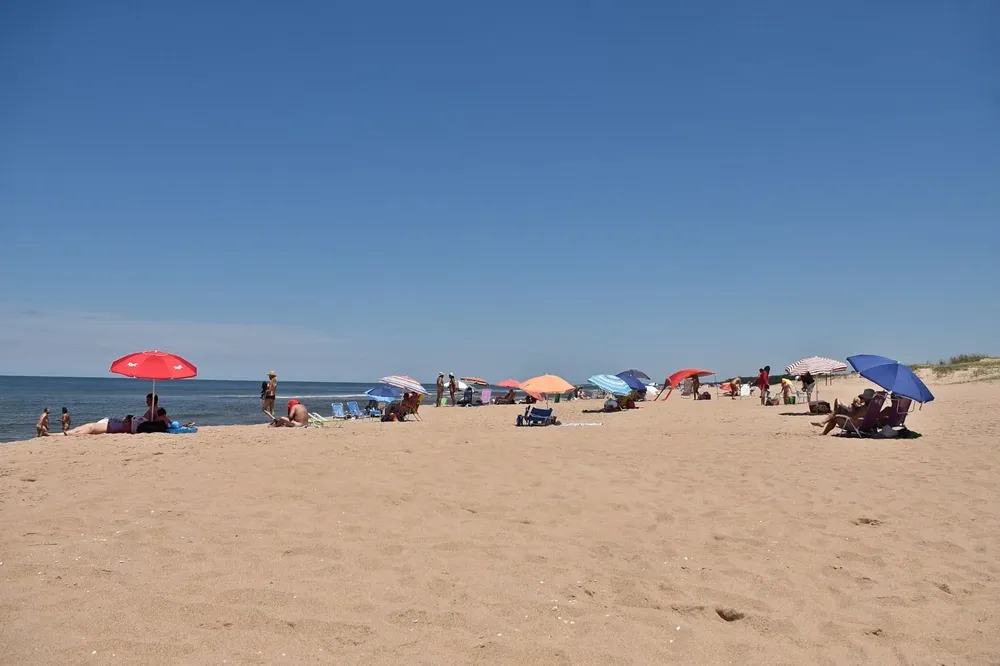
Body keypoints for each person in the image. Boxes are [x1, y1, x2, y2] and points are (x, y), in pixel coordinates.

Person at [812, 389, 876, 435]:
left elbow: (853, 417)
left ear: (866, 398)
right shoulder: (872, 406)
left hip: (855, 425)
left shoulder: (864, 408)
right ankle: (823, 422)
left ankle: (823, 428)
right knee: (837, 410)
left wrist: (846, 413)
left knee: (835, 417)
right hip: (864, 425)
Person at [67, 415, 134, 435]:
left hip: (107, 425)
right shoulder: (124, 423)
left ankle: (71, 434)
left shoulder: (128, 425)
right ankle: (63, 433)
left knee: (89, 427)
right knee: (83, 426)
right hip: (106, 423)